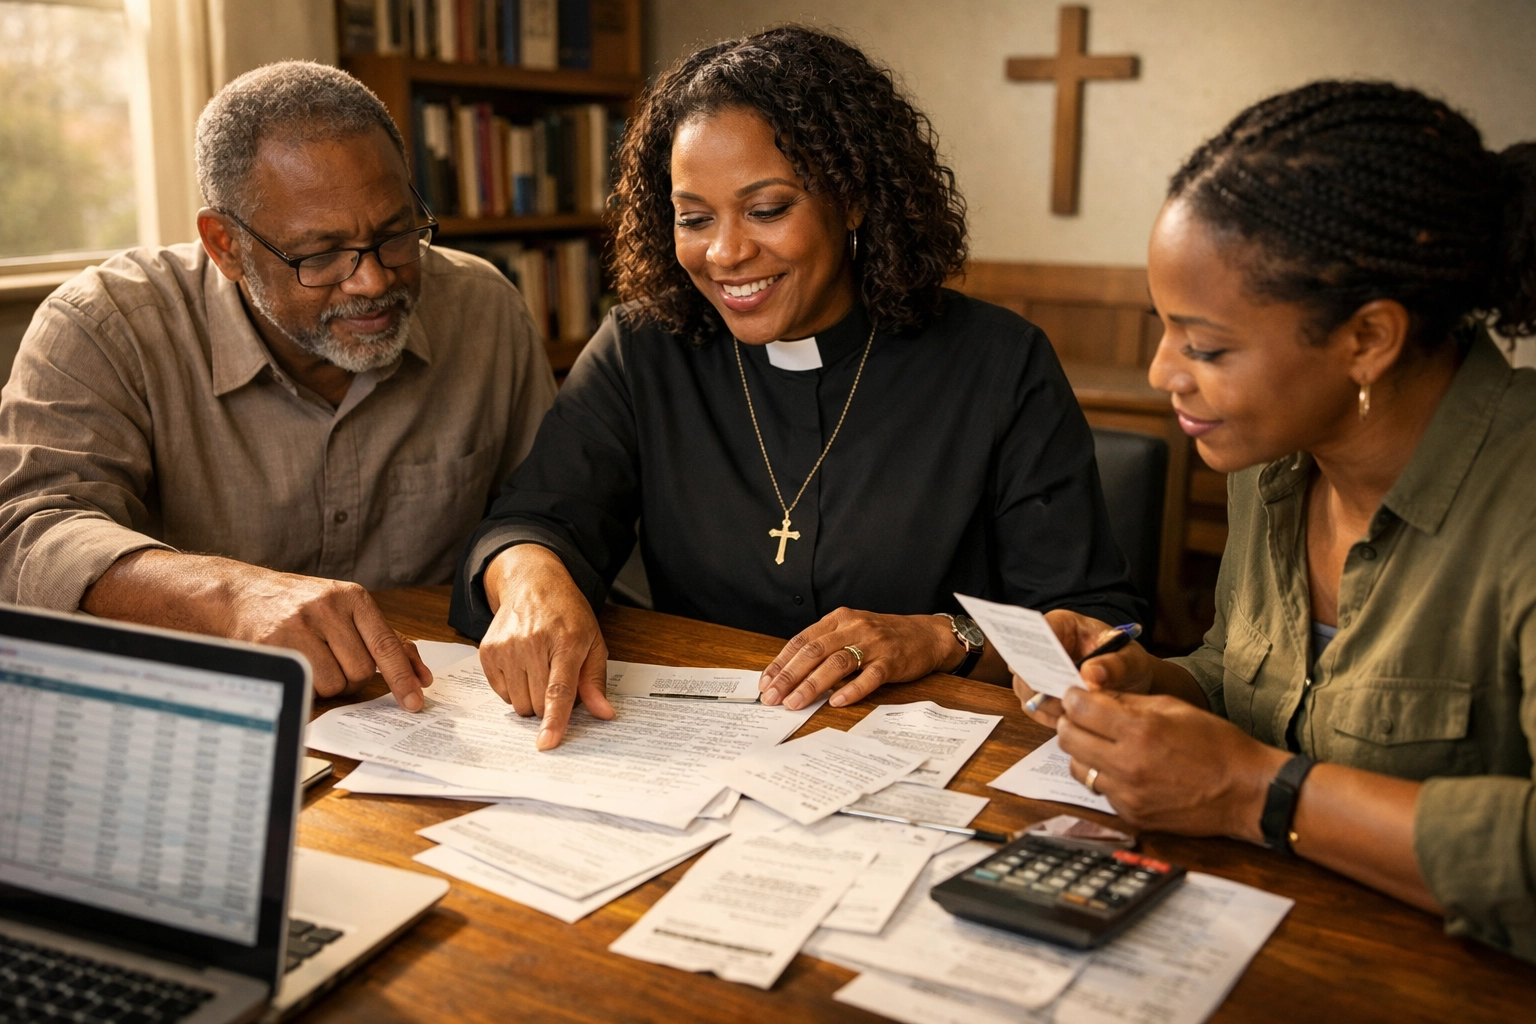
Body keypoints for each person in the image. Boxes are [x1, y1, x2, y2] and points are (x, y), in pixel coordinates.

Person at [450, 26, 1145, 751]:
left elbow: (1092, 623)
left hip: (930, 763)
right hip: (694, 755)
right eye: (694, 217)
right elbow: (535, 517)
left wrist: (943, 638)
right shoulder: (641, 348)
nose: (726, 253)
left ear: (852, 200)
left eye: (767, 209)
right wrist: (531, 578)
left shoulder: (998, 362)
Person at [1013, 81, 1536, 962]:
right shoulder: (1274, 461)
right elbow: (1253, 681)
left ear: (1368, 338)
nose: (1159, 374)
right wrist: (1147, 683)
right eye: (1164, 330)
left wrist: (1252, 791)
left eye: (1206, 347)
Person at [0, 62, 555, 710]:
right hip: (194, 718)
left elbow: (544, 509)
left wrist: (534, 571)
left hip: (436, 717)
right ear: (225, 244)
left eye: (395, 235)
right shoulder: (106, 326)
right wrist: (232, 598)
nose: (373, 281)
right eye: (319, 254)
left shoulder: (484, 310)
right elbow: (24, 532)